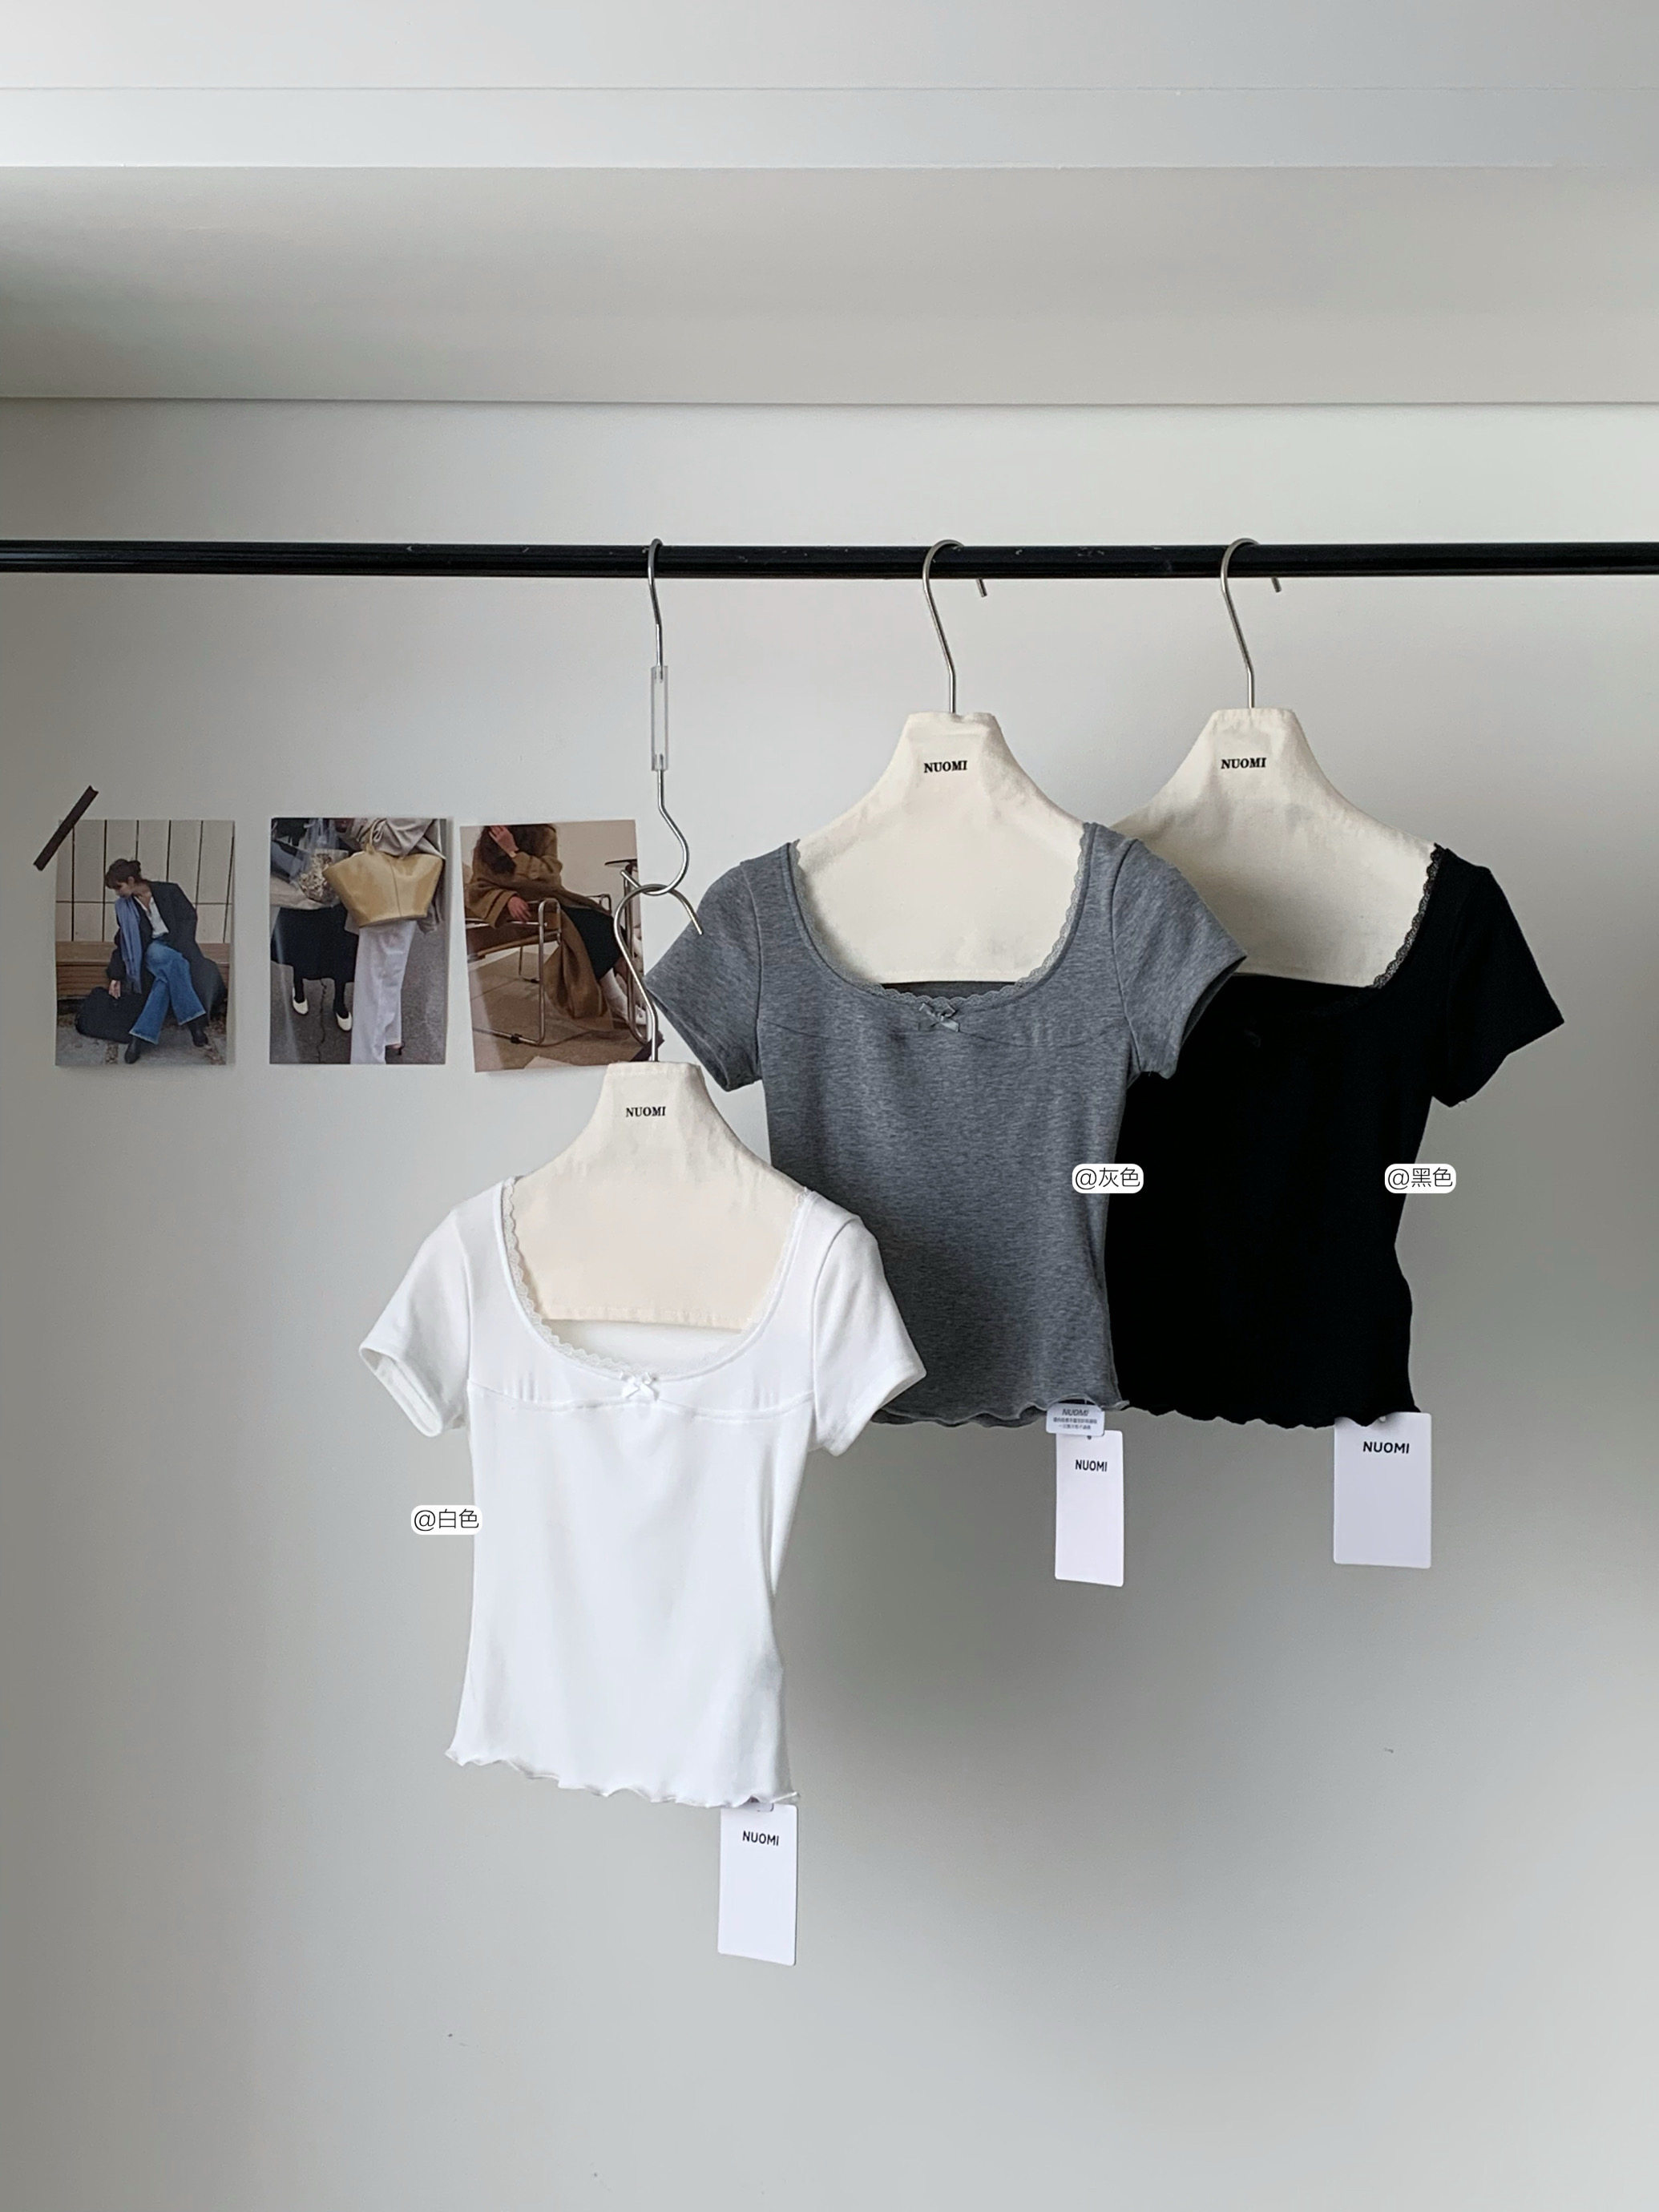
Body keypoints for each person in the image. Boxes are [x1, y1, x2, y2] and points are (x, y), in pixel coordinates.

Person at [466, 823, 638, 1030]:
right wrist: (506, 898)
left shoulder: (543, 833)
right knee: (595, 929)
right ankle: (622, 1001)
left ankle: (638, 997)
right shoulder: (485, 844)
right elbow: (477, 888)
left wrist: (513, 851)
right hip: (519, 912)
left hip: (550, 899)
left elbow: (550, 877)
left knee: (605, 925)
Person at [100, 858, 224, 1064]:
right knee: (173, 961)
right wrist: (116, 974)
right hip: (151, 949)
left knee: (166, 978)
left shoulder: (169, 891)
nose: (117, 893)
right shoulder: (125, 907)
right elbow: (124, 940)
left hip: (176, 945)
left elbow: (189, 918)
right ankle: (195, 1022)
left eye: (118, 887)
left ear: (131, 881)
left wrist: (179, 945)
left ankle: (140, 1036)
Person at [345, 817, 443, 1064]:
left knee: (376, 977)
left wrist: (352, 821)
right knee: (386, 967)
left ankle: (368, 1065)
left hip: (393, 882)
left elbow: (394, 839)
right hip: (397, 878)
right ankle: (390, 1035)